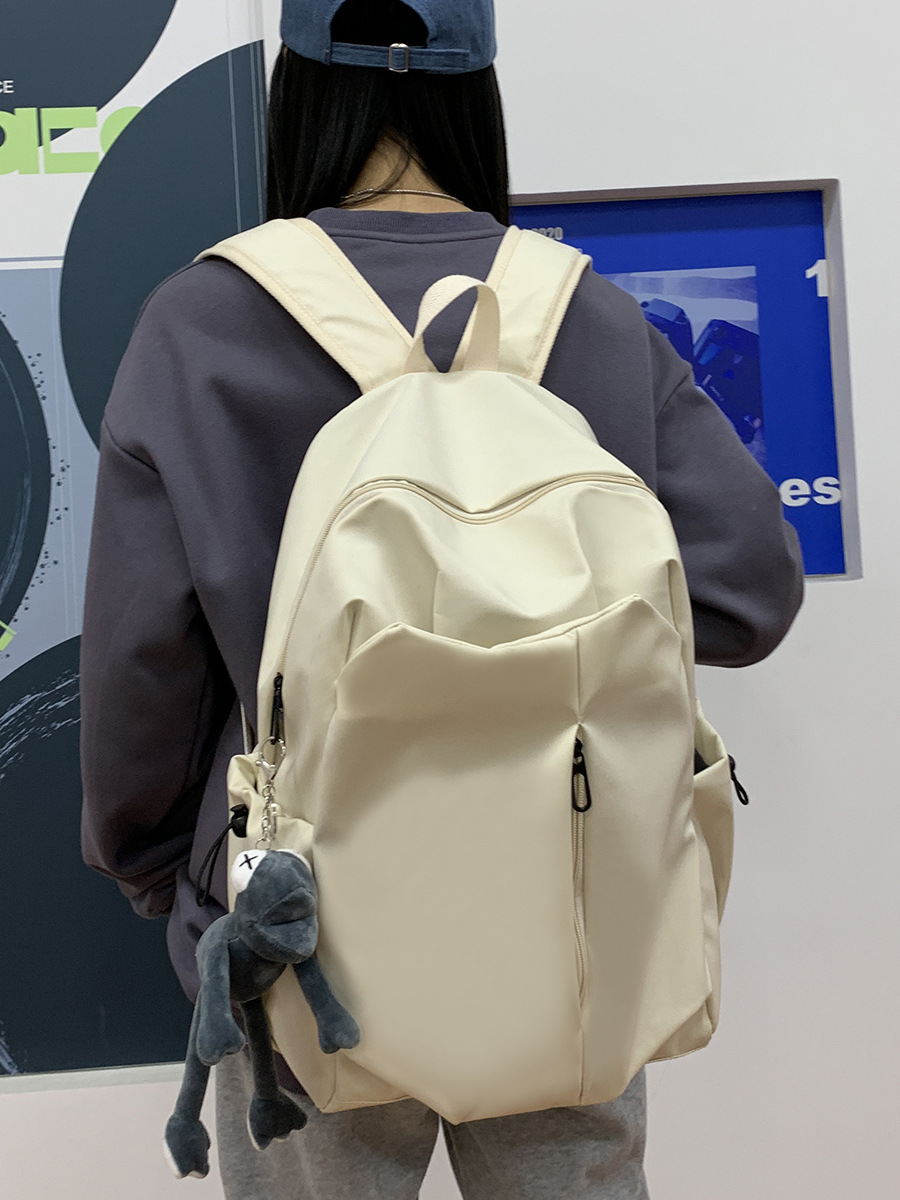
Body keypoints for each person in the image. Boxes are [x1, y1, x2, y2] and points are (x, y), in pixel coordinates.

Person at [79, 1, 804, 1197]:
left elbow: (140, 668)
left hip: (298, 926)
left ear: (297, 93)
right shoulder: (580, 314)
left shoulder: (201, 327)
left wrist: (168, 871)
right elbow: (750, 588)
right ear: (479, 93)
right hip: (568, 893)